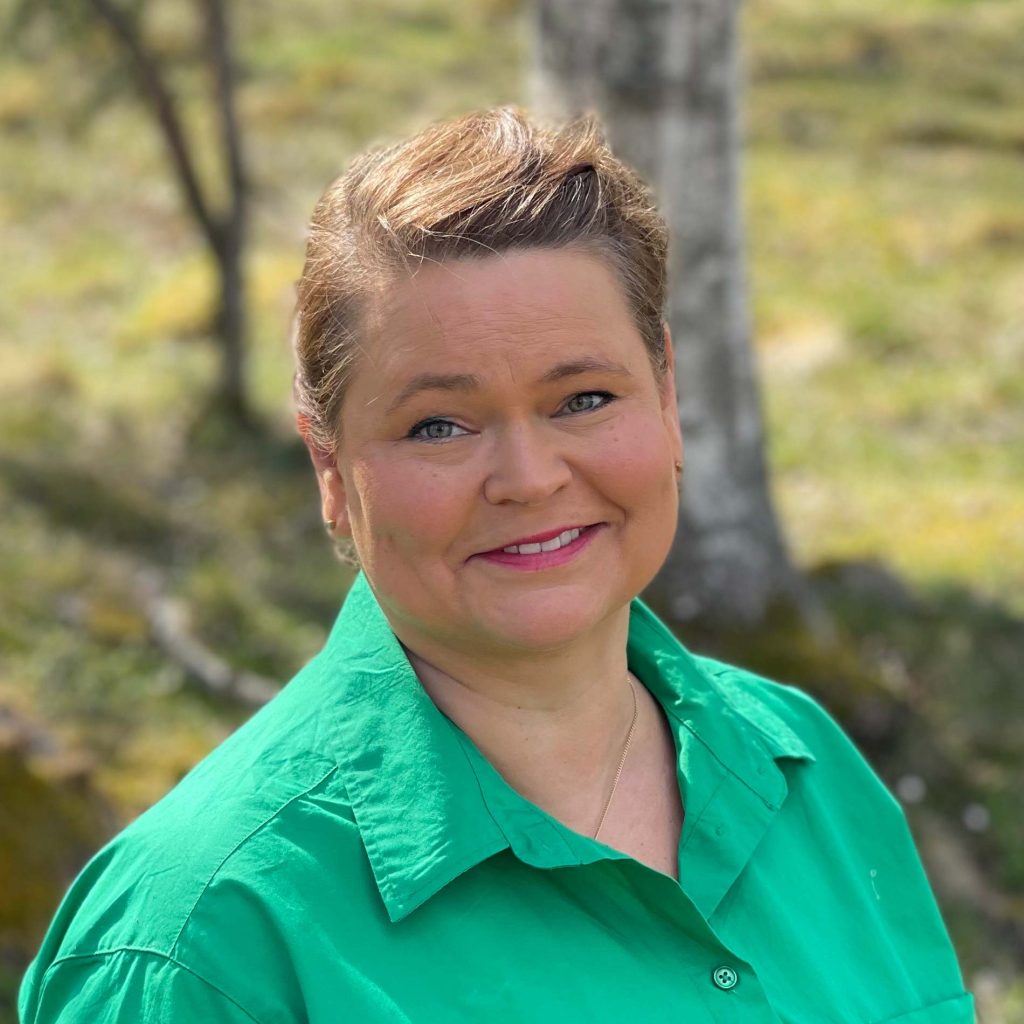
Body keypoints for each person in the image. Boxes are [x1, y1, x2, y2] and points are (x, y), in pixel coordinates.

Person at [19, 107, 974, 1023]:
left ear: (667, 396)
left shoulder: (811, 773)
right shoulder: (198, 940)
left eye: (584, 399)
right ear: (330, 468)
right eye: (438, 425)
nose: (528, 478)